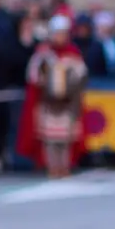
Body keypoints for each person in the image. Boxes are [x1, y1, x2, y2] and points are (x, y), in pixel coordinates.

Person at [17, 14, 89, 178]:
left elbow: (81, 74)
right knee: (49, 138)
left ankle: (65, 166)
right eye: (57, 33)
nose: (59, 37)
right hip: (48, 103)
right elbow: (33, 75)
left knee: (65, 139)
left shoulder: (73, 53)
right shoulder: (43, 54)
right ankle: (52, 166)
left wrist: (70, 85)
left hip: (67, 103)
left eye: (62, 33)